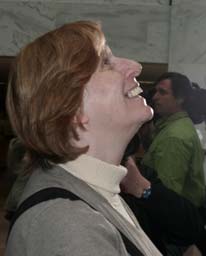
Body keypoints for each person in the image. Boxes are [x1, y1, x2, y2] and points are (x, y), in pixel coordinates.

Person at [5, 21, 161, 256]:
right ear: (72, 109)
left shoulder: (97, 191)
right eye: (106, 62)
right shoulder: (66, 224)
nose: (135, 67)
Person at [142, 72, 205, 208]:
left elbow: (166, 196)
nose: (155, 97)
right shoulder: (174, 126)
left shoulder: (174, 137)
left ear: (180, 98)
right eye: (155, 92)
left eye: (162, 92)